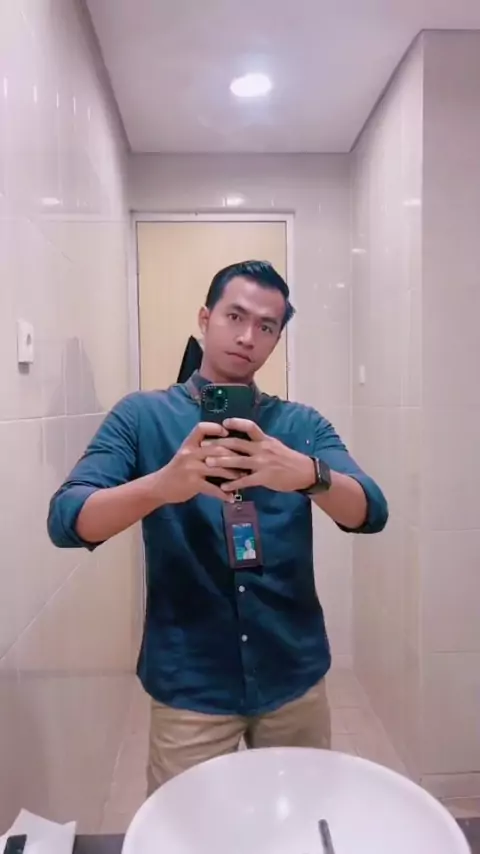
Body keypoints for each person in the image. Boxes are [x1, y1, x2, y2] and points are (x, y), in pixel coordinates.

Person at [48, 259, 388, 794]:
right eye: (235, 316)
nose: (248, 336)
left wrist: (307, 474)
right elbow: (67, 519)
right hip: (191, 683)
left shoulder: (300, 426)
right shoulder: (141, 417)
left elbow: (371, 510)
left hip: (292, 674)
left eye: (267, 326)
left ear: (276, 339)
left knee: (298, 819)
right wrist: (161, 485)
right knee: (187, 828)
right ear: (205, 319)